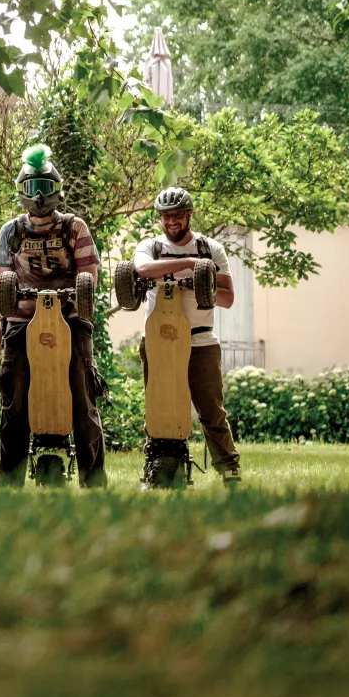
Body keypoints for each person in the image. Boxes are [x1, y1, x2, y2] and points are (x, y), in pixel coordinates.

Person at [0, 146, 109, 483]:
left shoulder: (75, 228)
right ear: (22, 192)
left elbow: (90, 273)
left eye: (45, 186)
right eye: (32, 188)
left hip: (72, 320)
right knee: (14, 397)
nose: (39, 195)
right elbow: (3, 276)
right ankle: (8, 478)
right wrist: (11, 294)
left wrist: (77, 296)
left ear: (56, 188)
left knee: (83, 396)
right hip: (21, 321)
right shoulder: (11, 231)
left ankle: (94, 478)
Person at [124, 183, 246, 487]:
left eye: (177, 215)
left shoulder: (210, 248)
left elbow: (228, 298)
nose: (171, 221)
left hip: (200, 340)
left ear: (189, 215)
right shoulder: (150, 246)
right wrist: (191, 265)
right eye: (166, 216)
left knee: (210, 409)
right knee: (157, 405)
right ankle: (155, 468)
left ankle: (229, 469)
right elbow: (141, 271)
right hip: (158, 338)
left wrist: (198, 285)